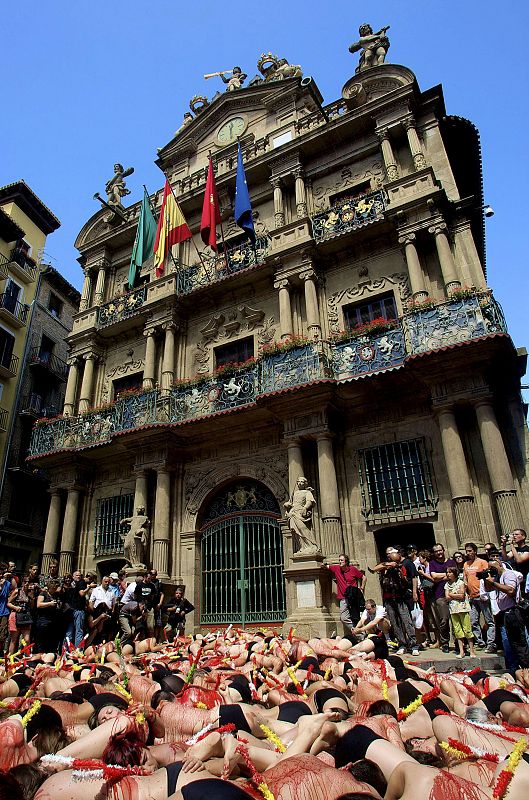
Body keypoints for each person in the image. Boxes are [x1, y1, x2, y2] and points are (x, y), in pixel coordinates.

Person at [485, 553, 529, 670]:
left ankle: (525, 668)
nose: (491, 570)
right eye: (490, 568)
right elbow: (487, 589)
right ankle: (516, 669)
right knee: (510, 643)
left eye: (493, 568)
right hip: (504, 612)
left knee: (519, 643)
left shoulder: (508, 574)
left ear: (499, 564)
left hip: (513, 611)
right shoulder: (498, 578)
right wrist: (487, 579)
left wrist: (494, 583)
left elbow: (510, 590)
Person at [374, 546, 419, 655]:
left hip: (400, 597)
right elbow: (374, 569)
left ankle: (413, 645)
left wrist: (414, 592)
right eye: (387, 553)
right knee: (395, 622)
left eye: (391, 553)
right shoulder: (386, 565)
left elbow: (412, 578)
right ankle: (402, 644)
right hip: (389, 598)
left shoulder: (405, 564)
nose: (389, 555)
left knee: (406, 620)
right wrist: (388, 565)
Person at [463, 542, 496, 652]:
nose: (468, 553)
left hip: (482, 596)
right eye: (467, 551)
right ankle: (480, 642)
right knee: (473, 621)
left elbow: (488, 577)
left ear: (475, 551)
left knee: (489, 620)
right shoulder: (466, 564)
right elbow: (465, 579)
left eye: (470, 551)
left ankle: (491, 643)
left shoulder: (482, 562)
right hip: (472, 597)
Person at [324, 554, 365, 634]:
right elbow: (327, 566)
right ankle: (360, 634)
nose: (340, 562)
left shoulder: (353, 569)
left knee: (356, 617)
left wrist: (362, 588)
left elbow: (363, 577)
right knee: (344, 618)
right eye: (339, 560)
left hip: (353, 598)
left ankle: (361, 634)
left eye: (341, 560)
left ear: (346, 562)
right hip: (343, 598)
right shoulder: (336, 568)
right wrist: (322, 565)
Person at [428, 543, 456, 653]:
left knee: (456, 620)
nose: (439, 553)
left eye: (440, 550)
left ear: (443, 550)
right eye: (436, 551)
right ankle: (445, 643)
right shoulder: (432, 563)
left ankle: (458, 643)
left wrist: (440, 576)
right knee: (444, 620)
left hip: (454, 595)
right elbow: (434, 577)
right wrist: (448, 575)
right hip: (440, 595)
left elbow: (456, 574)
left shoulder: (451, 562)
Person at [445, 565, 476, 659]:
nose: (448, 574)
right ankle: (461, 651)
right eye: (447, 572)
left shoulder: (460, 583)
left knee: (467, 629)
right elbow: (447, 597)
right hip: (453, 609)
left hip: (462, 608)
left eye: (450, 572)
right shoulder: (447, 584)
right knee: (457, 630)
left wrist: (452, 595)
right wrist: (454, 594)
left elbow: (462, 595)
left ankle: (471, 650)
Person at [283, 476, 319, 553]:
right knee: (295, 530)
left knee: (302, 528)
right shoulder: (295, 493)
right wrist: (287, 505)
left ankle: (311, 545)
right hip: (293, 512)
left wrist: (305, 508)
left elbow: (310, 501)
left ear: (305, 484)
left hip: (301, 513)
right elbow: (291, 503)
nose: (299, 483)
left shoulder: (307, 492)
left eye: (302, 482)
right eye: (298, 482)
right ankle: (302, 547)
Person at [34, 579, 62, 653]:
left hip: (53, 620)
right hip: (43, 620)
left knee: (51, 640)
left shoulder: (56, 595)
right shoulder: (43, 594)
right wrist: (49, 603)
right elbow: (39, 604)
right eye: (54, 588)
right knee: (41, 640)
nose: (55, 589)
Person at [7, 574, 33, 653]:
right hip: (15, 615)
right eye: (25, 582)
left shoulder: (30, 593)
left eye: (28, 582)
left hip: (25, 617)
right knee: (14, 639)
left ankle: (27, 658)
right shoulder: (17, 591)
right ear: (22, 583)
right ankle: (10, 658)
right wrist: (16, 608)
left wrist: (32, 597)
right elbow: (8, 603)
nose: (27, 584)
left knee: (27, 639)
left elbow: (31, 606)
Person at [0, 564, 16, 655]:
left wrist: (11, 576)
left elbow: (16, 589)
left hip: (4, 612)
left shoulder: (7, 583)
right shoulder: (2, 584)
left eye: (2, 574)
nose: (1, 576)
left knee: (2, 635)